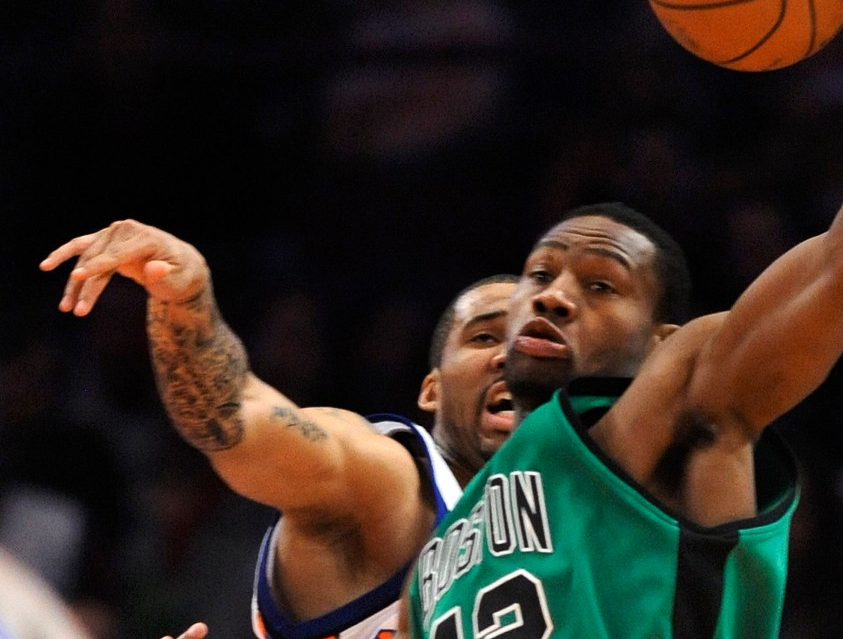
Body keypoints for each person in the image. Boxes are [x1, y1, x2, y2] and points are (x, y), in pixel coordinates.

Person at [401, 0, 843, 637]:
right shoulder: (432, 565)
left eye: (602, 285)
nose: (549, 294)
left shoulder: (684, 399)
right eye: (539, 274)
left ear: (661, 343)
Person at [39, 222, 518, 639]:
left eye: (532, 339)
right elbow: (236, 415)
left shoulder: (583, 526)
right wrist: (186, 303)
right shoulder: (389, 482)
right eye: (484, 336)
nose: (510, 354)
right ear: (431, 389)